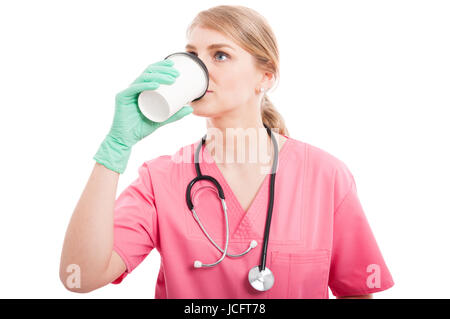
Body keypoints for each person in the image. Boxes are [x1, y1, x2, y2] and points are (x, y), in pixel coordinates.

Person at [59, 5, 394, 299]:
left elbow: (356, 291)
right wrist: (116, 147)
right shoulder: (159, 179)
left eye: (220, 55)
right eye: (192, 55)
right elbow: (80, 277)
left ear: (265, 76)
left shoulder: (326, 175)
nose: (200, 69)